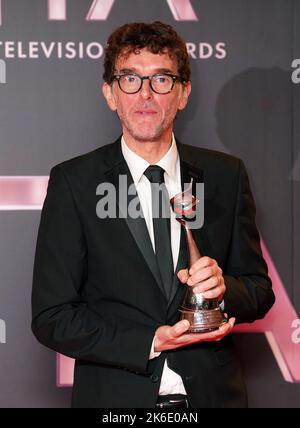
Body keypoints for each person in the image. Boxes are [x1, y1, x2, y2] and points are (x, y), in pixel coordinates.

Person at [31, 21, 275, 408]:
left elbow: (259, 291)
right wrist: (151, 341)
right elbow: (52, 316)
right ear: (110, 94)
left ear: (183, 94)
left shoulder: (226, 175)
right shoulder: (74, 182)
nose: (145, 94)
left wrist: (223, 288)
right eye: (130, 79)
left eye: (161, 79)